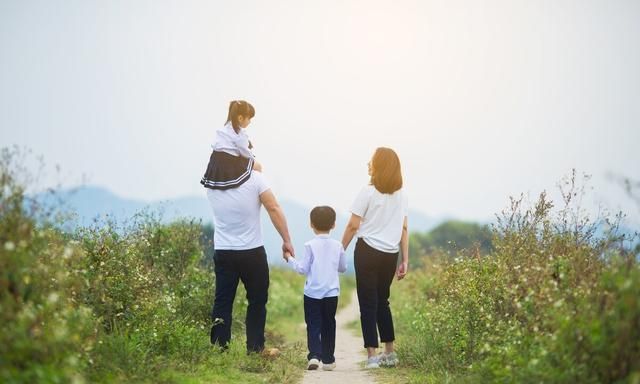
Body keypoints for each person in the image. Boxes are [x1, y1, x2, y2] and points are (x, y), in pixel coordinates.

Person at [205, 165, 294, 353]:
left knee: (222, 301)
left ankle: (219, 349)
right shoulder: (255, 178)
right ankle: (255, 348)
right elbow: (273, 208)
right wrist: (286, 240)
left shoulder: (212, 179)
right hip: (251, 251)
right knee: (257, 300)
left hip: (224, 250)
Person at [340, 147, 409, 369]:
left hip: (368, 251)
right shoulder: (402, 195)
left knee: (368, 303)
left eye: (371, 160)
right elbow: (404, 229)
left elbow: (353, 225)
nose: (368, 163)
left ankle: (372, 356)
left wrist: (340, 249)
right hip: (390, 254)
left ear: (378, 165)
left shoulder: (368, 191)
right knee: (383, 301)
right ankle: (390, 352)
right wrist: (404, 260)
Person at [284, 206, 347, 371]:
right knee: (329, 324)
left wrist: (290, 258)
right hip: (331, 293)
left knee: (313, 324)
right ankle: (328, 360)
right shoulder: (338, 245)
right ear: (334, 225)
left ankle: (314, 356)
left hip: (312, 293)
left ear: (311, 224)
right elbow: (342, 268)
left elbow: (302, 269)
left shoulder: (309, 245)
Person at [200, 100, 263, 191]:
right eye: (249, 118)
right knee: (258, 166)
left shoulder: (223, 129)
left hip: (215, 162)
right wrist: (252, 157)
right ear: (240, 118)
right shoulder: (240, 134)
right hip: (229, 162)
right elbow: (244, 152)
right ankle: (258, 188)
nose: (250, 122)